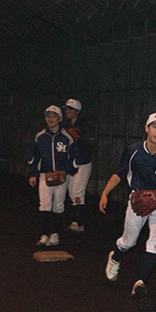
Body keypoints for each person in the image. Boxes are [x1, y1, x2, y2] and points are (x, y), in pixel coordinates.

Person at [98, 112, 156, 299]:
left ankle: (141, 282)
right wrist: (105, 193)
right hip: (138, 199)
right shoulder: (133, 151)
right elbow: (119, 174)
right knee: (128, 242)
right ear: (146, 128)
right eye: (155, 126)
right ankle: (115, 257)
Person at [27, 105, 78, 247]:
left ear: (60, 119)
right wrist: (33, 174)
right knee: (44, 204)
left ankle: (55, 234)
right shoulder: (40, 137)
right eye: (48, 116)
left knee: (58, 205)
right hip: (45, 175)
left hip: (61, 177)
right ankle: (44, 235)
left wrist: (66, 172)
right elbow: (33, 157)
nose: (50, 119)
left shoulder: (67, 137)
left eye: (54, 116)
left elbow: (74, 157)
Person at [62, 98, 96, 233]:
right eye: (66, 109)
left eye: (70, 109)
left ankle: (79, 223)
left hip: (82, 163)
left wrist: (78, 160)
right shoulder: (66, 126)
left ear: (77, 111)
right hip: (70, 162)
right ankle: (76, 221)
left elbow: (89, 146)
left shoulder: (85, 127)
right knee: (72, 192)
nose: (67, 112)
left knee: (77, 192)